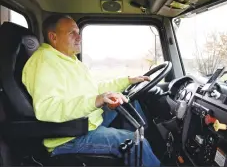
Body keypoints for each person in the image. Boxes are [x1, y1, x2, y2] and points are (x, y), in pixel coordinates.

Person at [22, 14, 161, 166]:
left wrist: (127, 81)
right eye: (72, 33)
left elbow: (94, 88)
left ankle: (148, 152)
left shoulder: (69, 60)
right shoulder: (44, 63)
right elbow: (47, 109)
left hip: (86, 122)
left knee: (129, 102)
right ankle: (144, 150)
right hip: (68, 137)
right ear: (53, 37)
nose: (79, 37)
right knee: (136, 143)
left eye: (78, 32)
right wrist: (95, 101)